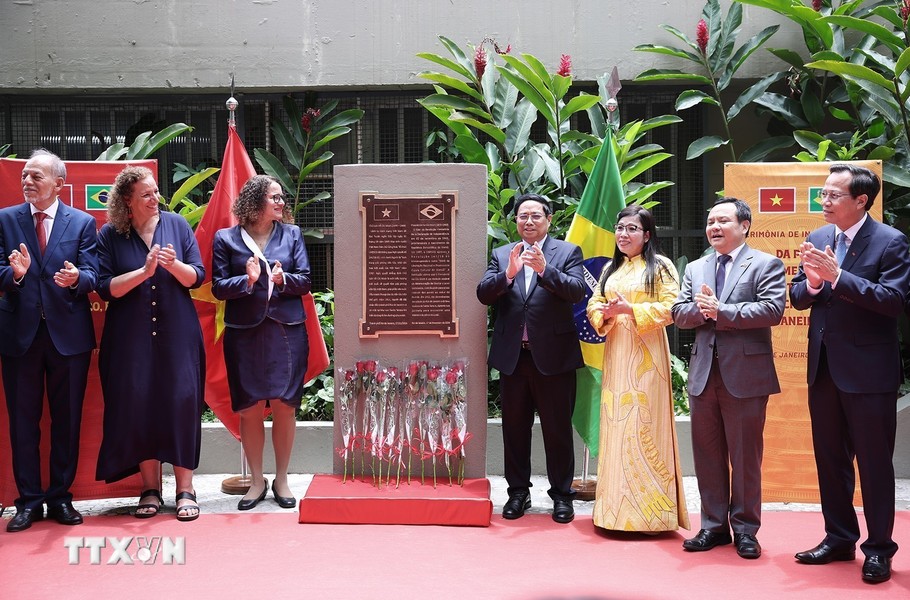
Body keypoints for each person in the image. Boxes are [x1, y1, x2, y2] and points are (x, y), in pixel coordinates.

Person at [790, 163, 910, 584]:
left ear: (861, 200)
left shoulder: (891, 242)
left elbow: (893, 301)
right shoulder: (820, 238)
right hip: (823, 368)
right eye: (822, 194)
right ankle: (839, 538)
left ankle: (878, 549)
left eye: (832, 195)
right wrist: (815, 284)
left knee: (874, 464)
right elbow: (799, 296)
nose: (823, 202)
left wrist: (838, 277)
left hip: (869, 373)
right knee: (831, 460)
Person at [672, 197, 785, 559]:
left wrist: (722, 310)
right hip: (705, 374)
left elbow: (771, 309)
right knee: (707, 456)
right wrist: (703, 312)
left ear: (745, 226)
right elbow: (678, 313)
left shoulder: (765, 263)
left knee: (745, 457)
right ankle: (713, 526)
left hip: (746, 375)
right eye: (710, 222)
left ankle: (747, 531)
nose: (714, 227)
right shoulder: (697, 268)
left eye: (722, 220)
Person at [94, 166, 205, 522]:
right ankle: (150, 488)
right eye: (145, 194)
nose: (154, 199)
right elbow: (104, 287)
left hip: (178, 332)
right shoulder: (110, 235)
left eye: (155, 192)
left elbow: (198, 276)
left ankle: (186, 488)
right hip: (130, 337)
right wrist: (143, 272)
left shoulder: (178, 225)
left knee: (181, 401)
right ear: (127, 201)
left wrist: (173, 266)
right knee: (139, 402)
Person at [0, 149, 98, 532]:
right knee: (23, 423)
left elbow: (93, 274)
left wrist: (77, 280)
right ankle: (27, 501)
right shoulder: (5, 220)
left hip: (68, 337)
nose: (28, 182)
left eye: (36, 176)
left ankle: (59, 497)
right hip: (19, 337)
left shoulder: (83, 222)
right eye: (25, 176)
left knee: (67, 421)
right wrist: (16, 276)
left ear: (59, 183)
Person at [476, 193, 585, 523]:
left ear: (548, 219)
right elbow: (483, 293)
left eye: (535, 216)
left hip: (554, 358)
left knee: (557, 430)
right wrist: (507, 274)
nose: (528, 222)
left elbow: (577, 291)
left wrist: (546, 270)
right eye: (523, 216)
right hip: (514, 360)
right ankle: (518, 494)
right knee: (515, 429)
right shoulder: (501, 253)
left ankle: (562, 496)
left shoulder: (567, 252)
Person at [586, 205, 689, 533]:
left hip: (647, 360)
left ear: (647, 235)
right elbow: (593, 304)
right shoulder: (609, 270)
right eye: (620, 228)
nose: (623, 235)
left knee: (644, 425)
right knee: (617, 425)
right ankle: (612, 512)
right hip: (617, 355)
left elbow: (673, 307)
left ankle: (651, 515)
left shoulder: (661, 266)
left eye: (632, 229)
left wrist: (632, 309)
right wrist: (603, 312)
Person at [212, 175, 311, 511]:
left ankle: (281, 479)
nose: (281, 203)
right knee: (250, 408)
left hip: (287, 332)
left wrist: (284, 279)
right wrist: (247, 280)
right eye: (275, 198)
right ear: (254, 203)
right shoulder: (226, 239)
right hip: (245, 334)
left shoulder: (292, 234)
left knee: (285, 405)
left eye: (282, 198)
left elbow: (306, 280)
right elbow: (218, 287)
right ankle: (256, 481)